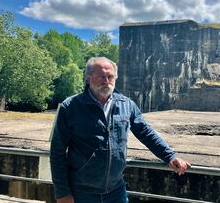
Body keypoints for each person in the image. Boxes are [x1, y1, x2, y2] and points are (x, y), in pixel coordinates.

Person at [50, 57, 191, 203]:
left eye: (110, 76)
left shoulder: (126, 104)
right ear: (88, 77)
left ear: (115, 78)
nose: (106, 81)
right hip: (82, 192)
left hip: (116, 192)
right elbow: (57, 151)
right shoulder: (71, 106)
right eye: (100, 76)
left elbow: (146, 133)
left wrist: (170, 156)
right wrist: (62, 193)